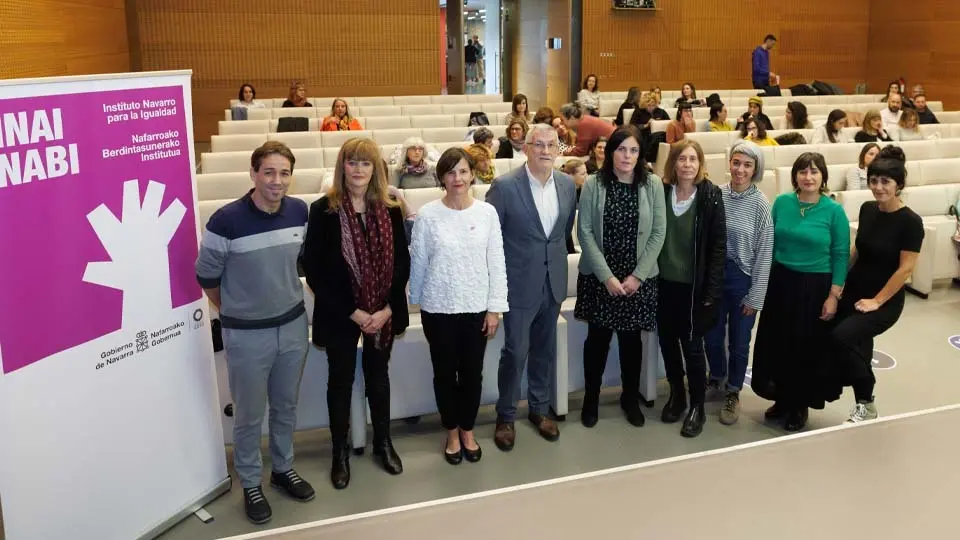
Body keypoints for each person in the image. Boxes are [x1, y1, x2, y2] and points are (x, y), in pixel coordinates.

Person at [195, 141, 314, 524]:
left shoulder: (299, 211)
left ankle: (282, 469)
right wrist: (235, 310)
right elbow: (207, 278)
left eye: (284, 173)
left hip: (293, 326)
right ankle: (250, 481)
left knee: (286, 406)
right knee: (249, 414)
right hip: (247, 335)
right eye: (268, 172)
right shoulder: (225, 220)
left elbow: (299, 263)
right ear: (253, 174)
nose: (276, 181)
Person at [301, 138, 411, 489]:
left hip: (382, 312)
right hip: (341, 314)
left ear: (375, 169)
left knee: (379, 379)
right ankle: (339, 452)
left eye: (366, 163)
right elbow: (314, 270)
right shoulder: (323, 210)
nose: (359, 169)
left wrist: (387, 308)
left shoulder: (391, 208)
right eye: (352, 162)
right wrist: (354, 312)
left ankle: (383, 442)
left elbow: (402, 264)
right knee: (341, 381)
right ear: (342, 166)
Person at [409, 147, 508, 465]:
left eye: (463, 171)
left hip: (476, 307)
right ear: (441, 177)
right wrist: (416, 301)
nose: (458, 178)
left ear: (473, 174)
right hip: (438, 309)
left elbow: (497, 262)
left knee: (472, 375)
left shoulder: (486, 213)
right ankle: (451, 430)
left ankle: (467, 429)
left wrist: (495, 308)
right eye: (451, 172)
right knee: (443, 374)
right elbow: (419, 261)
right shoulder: (427, 214)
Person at [486, 123, 578, 451]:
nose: (545, 150)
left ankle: (539, 409)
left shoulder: (568, 185)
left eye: (551, 144)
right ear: (525, 148)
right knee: (514, 352)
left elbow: (562, 233)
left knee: (545, 349)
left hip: (553, 282)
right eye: (537, 144)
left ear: (559, 149)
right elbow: (490, 239)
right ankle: (506, 415)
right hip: (518, 284)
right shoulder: (504, 186)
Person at [574, 125, 666, 429]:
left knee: (631, 341)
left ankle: (629, 397)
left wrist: (638, 276)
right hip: (602, 277)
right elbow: (584, 232)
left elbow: (658, 232)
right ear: (611, 151)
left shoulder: (652, 184)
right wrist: (607, 277)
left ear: (641, 154)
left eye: (634, 150)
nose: (627, 156)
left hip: (637, 278)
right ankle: (591, 398)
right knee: (597, 340)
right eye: (621, 149)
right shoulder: (593, 184)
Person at [751, 152, 850, 432]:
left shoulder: (834, 211)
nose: (808, 177)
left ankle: (799, 404)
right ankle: (781, 398)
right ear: (795, 176)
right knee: (777, 343)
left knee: (804, 347)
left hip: (814, 285)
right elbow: (768, 243)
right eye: (803, 171)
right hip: (781, 282)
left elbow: (841, 254)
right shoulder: (782, 203)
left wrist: (833, 295)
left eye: (814, 172)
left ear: (823, 177)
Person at [831, 146, 923, 424]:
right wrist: (838, 283)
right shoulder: (868, 209)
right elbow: (858, 250)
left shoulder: (911, 222)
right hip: (855, 288)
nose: (878, 187)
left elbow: (905, 268)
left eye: (885, 182)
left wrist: (877, 302)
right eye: (874, 180)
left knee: (843, 337)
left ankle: (866, 396)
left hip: (884, 300)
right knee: (856, 343)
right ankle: (865, 405)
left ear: (899, 185)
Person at [657, 140, 726, 438]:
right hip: (662, 284)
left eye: (692, 159)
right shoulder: (661, 192)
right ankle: (677, 394)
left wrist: (711, 292)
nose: (687, 164)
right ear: (672, 163)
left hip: (694, 288)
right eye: (681, 159)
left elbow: (718, 248)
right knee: (668, 343)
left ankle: (697, 405)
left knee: (693, 347)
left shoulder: (710, 196)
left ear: (700, 164)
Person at [704, 142, 774, 426]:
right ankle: (716, 377)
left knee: (739, 342)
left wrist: (755, 297)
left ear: (755, 169)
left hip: (744, 280)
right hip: (715, 278)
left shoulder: (761, 205)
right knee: (711, 335)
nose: (740, 170)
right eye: (736, 162)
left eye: (747, 165)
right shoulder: (716, 194)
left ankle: (733, 390)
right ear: (729, 163)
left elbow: (765, 253)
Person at [561, 159, 588, 254]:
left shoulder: (582, 190)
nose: (586, 176)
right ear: (570, 175)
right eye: (583, 174)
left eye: (586, 173)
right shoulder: (563, 194)